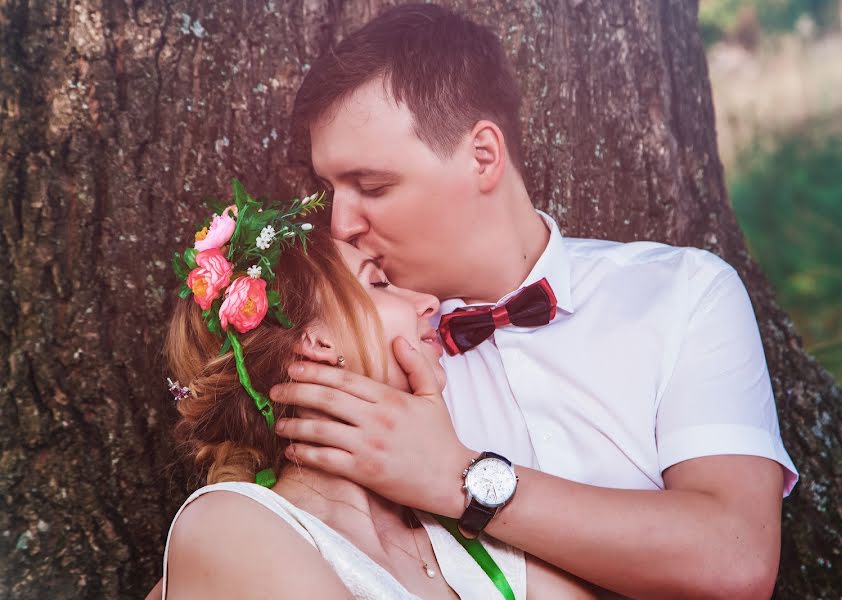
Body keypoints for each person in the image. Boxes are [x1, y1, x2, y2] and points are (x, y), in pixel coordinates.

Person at [271, 4, 801, 599]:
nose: (340, 224)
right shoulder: (375, 349)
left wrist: (458, 478)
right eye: (329, 191)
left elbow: (737, 559)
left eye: (372, 187)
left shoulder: (683, 292)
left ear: (483, 157)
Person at [157, 220, 597, 599]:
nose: (428, 301)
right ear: (316, 342)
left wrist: (459, 471)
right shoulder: (232, 526)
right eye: (378, 283)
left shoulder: (469, 542)